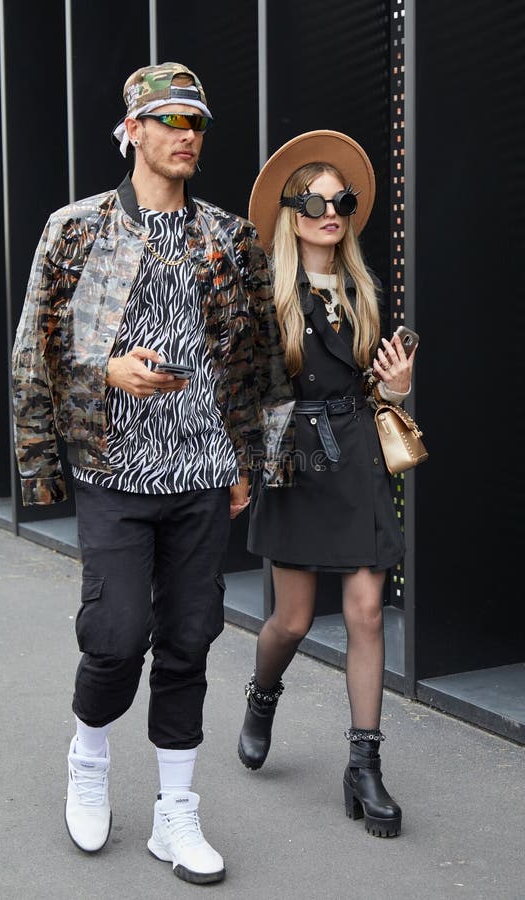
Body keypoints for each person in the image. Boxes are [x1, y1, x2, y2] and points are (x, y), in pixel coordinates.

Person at [11, 62, 294, 883]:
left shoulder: (227, 237)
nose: (185, 136)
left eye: (196, 123)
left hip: (202, 473)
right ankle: (89, 757)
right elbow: (38, 352)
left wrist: (252, 461)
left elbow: (257, 364)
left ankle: (177, 812)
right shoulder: (77, 229)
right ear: (132, 129)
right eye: (169, 120)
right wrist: (107, 375)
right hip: (114, 471)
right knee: (115, 634)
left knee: (188, 639)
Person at [237, 130, 417, 839]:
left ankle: (364, 766)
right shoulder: (265, 294)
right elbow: (244, 391)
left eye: (340, 198)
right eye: (314, 198)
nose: (330, 209)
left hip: (357, 457)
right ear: (290, 211)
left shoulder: (363, 291)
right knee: (292, 620)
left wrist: (399, 392)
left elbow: (382, 394)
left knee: (368, 611)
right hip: (292, 460)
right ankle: (262, 694)